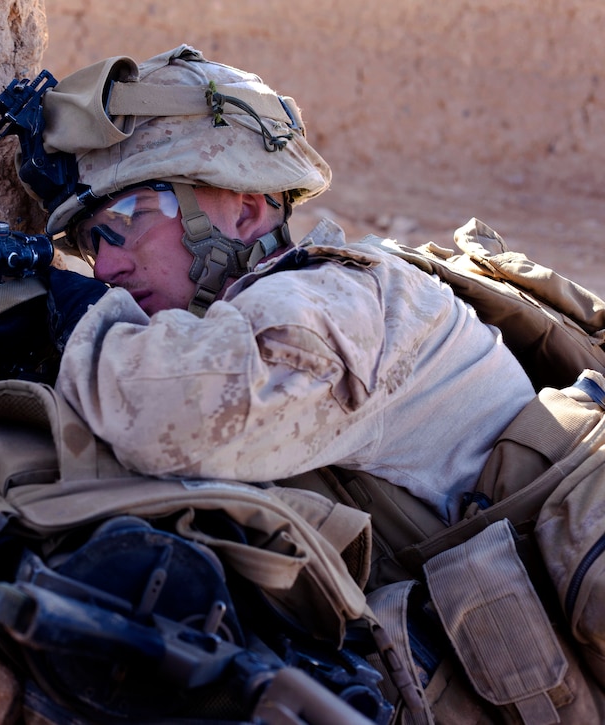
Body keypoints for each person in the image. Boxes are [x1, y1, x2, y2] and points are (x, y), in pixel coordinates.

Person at [27, 44, 535, 524]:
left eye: (129, 217)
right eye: (93, 242)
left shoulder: (337, 299)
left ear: (246, 212)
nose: (105, 268)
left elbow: (165, 419)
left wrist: (79, 319)